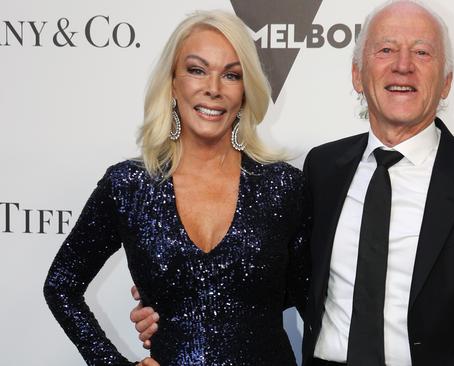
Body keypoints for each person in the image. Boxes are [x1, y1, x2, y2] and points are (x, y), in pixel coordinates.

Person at [132, 1, 454, 365]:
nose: (402, 64)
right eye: (385, 49)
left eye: (422, 52)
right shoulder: (323, 168)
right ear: (357, 75)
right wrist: (176, 298)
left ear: (445, 81)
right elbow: (273, 283)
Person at [43, 9, 309, 366]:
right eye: (197, 70)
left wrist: (200, 305)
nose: (213, 89)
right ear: (172, 82)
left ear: (245, 92)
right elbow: (61, 284)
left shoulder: (283, 186)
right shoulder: (129, 186)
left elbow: (309, 294)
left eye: (231, 75)